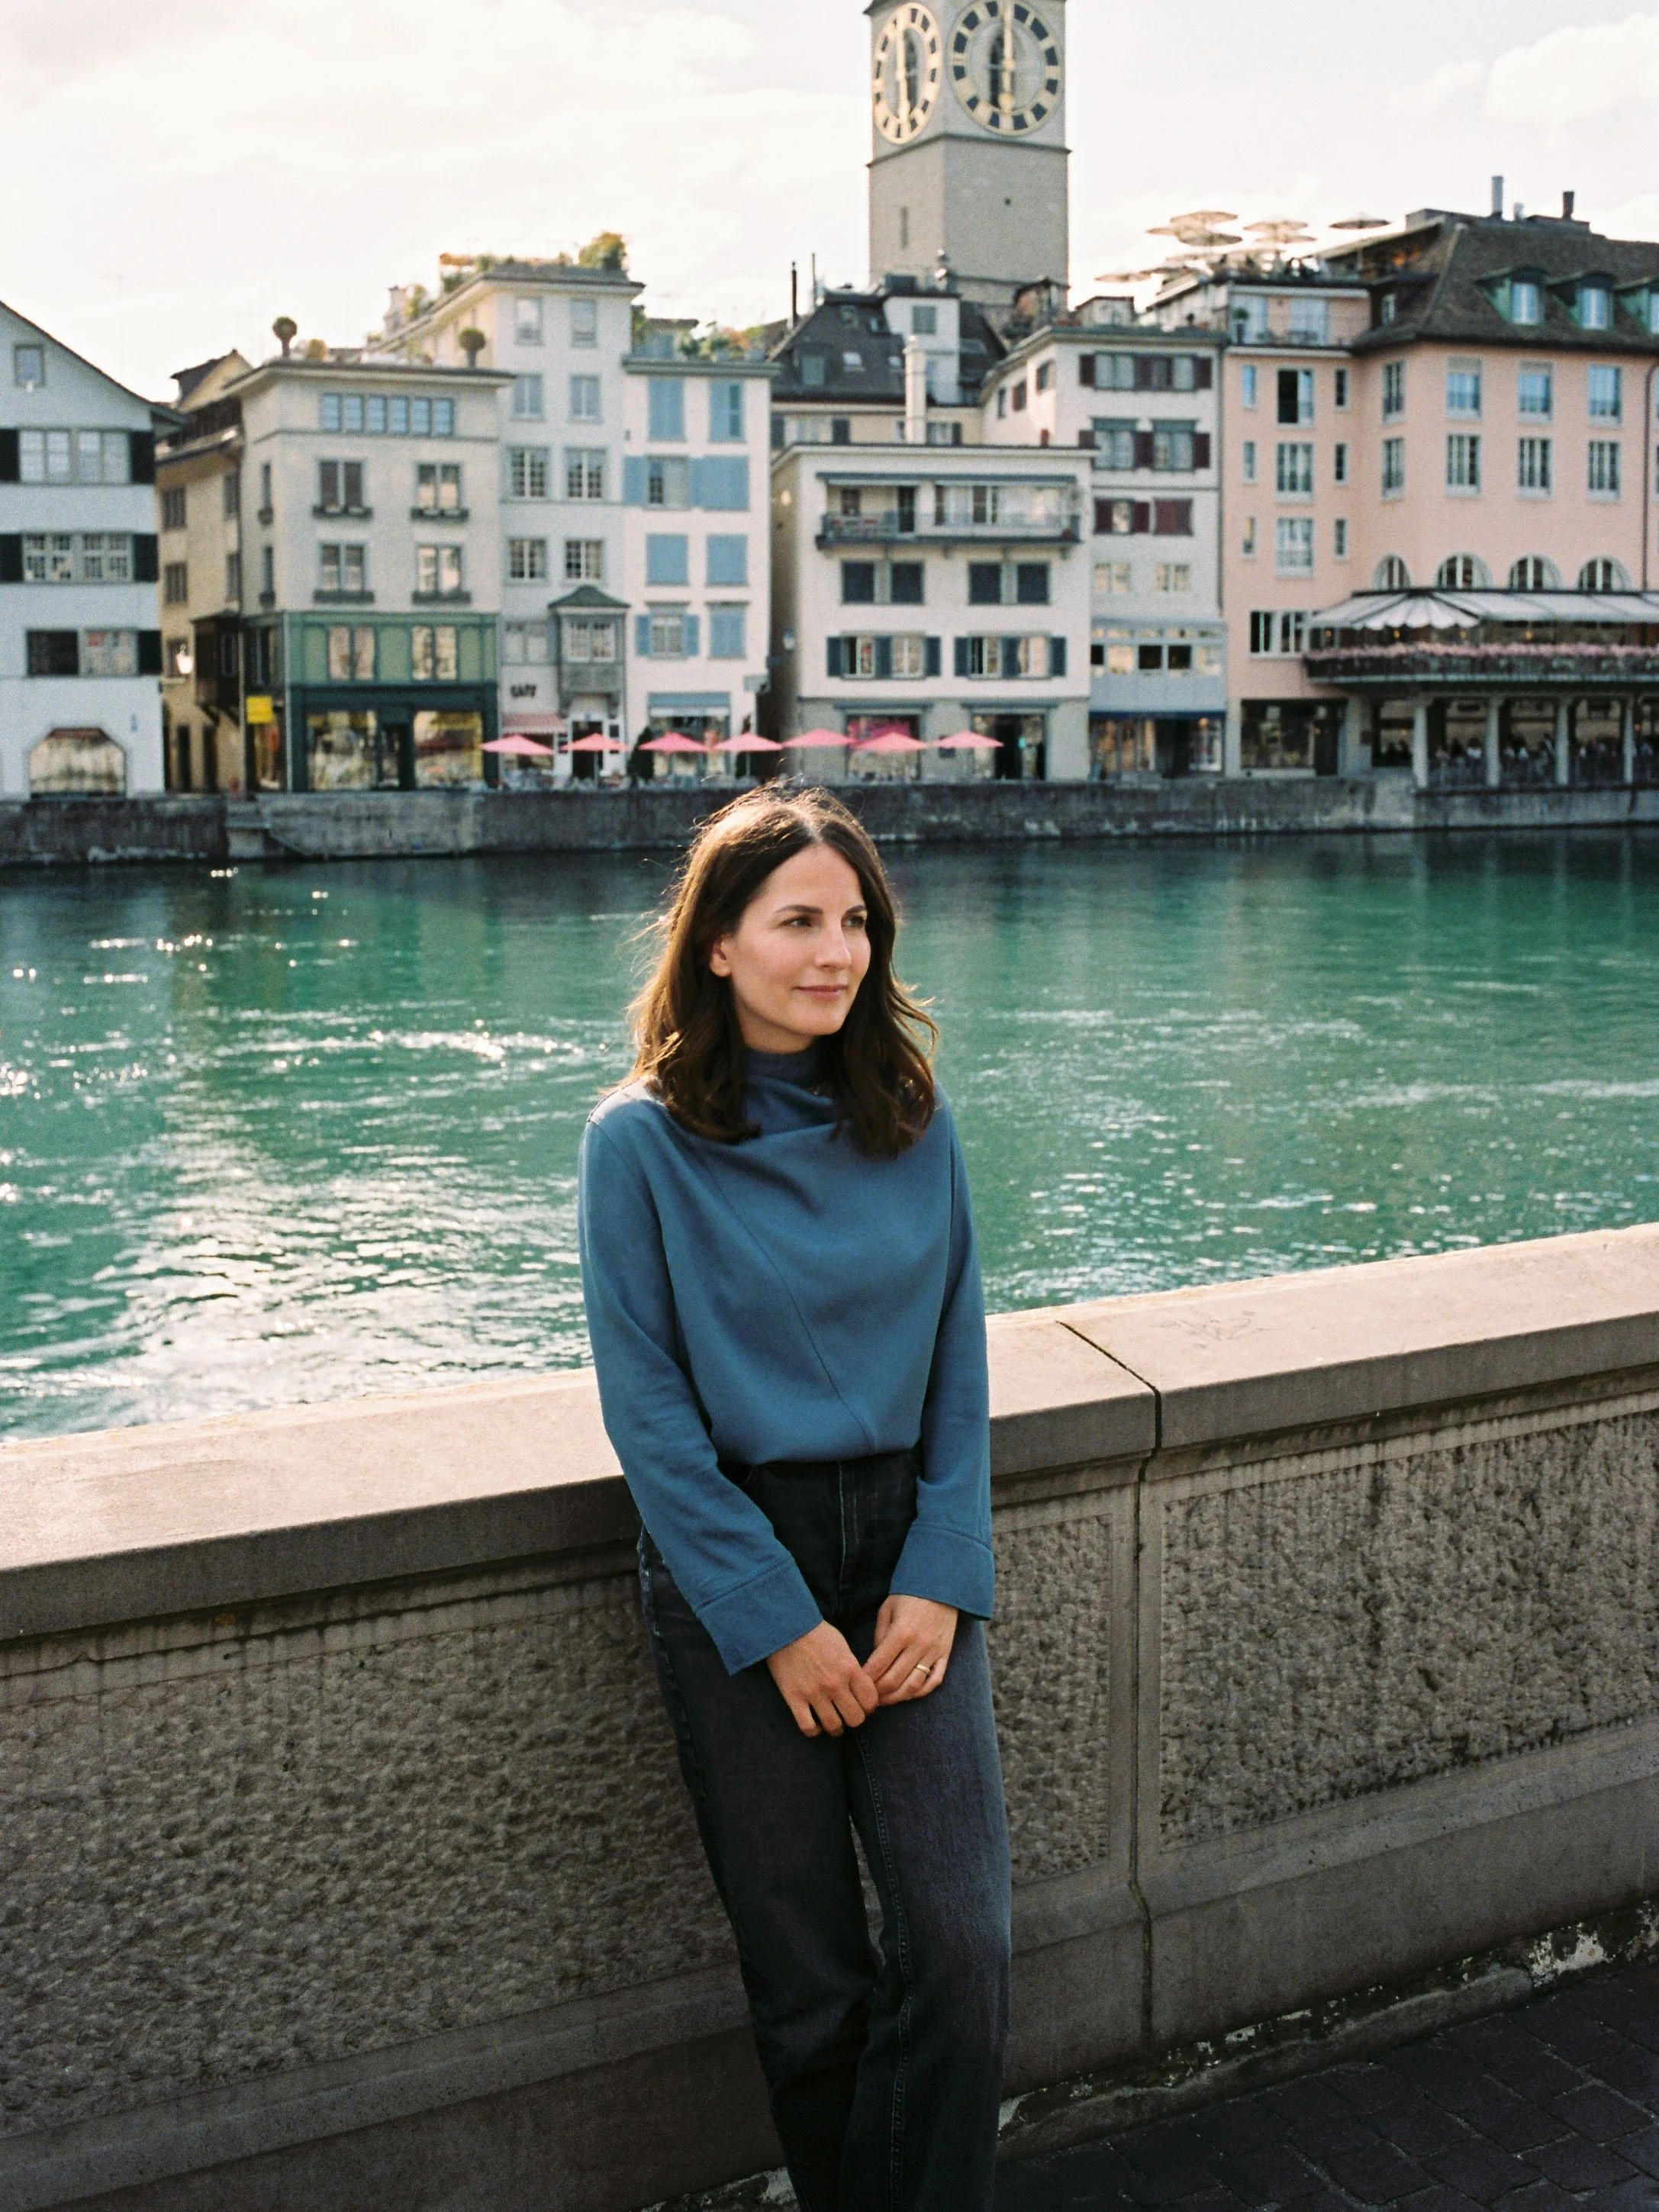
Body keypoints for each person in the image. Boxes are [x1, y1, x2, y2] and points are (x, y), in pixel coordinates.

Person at [577, 787, 1010, 2212]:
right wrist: (770, 1620)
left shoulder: (908, 1112)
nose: (839, 951)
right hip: (734, 1569)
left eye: (857, 921)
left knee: (958, 1944)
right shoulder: (635, 1145)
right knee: (810, 1976)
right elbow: (648, 1416)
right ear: (715, 942)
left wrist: (941, 1568)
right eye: (799, 921)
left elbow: (958, 1355)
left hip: (905, 1553)